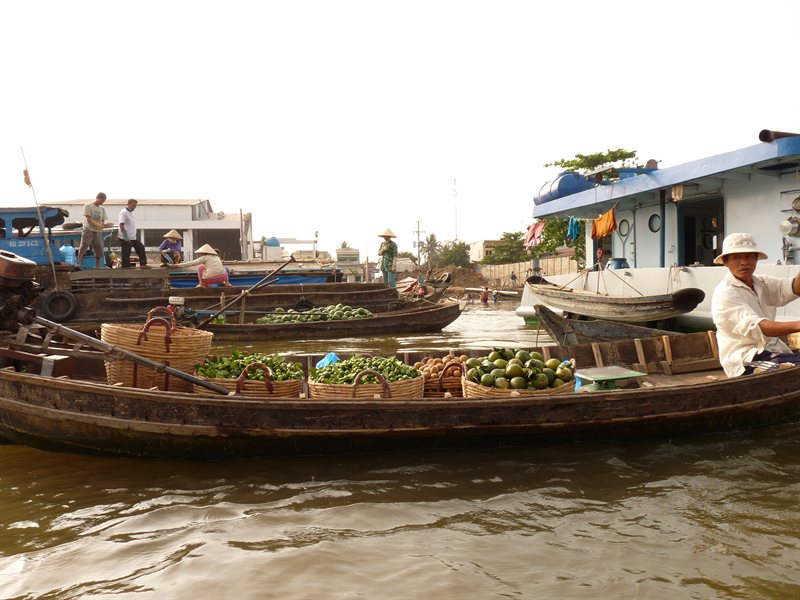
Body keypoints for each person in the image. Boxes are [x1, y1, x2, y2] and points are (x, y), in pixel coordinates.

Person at [711, 232, 800, 377]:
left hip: (773, 352)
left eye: (749, 256)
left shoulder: (761, 283)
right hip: (745, 359)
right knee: (789, 370)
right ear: (726, 262)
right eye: (737, 257)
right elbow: (760, 328)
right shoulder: (725, 293)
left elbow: (794, 288)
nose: (744, 262)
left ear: (756, 259)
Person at [166, 243, 231, 287]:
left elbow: (191, 263)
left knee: (200, 267)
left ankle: (201, 284)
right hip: (223, 278)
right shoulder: (217, 257)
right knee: (224, 269)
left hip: (210, 280)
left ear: (203, 252)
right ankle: (227, 283)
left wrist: (176, 265)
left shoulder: (204, 257)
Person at [76, 192, 112, 270]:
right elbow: (89, 219)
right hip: (88, 229)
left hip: (97, 231)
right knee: (84, 245)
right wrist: (98, 224)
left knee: (98, 247)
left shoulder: (102, 209)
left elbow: (102, 220)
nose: (102, 202)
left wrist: (102, 225)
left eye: (104, 201)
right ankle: (79, 264)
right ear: (98, 198)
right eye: (102, 200)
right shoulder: (88, 206)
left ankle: (97, 266)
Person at [118, 199, 148, 268]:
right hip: (125, 237)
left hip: (132, 237)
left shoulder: (130, 213)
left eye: (135, 206)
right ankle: (125, 267)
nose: (133, 208)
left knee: (141, 247)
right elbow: (121, 225)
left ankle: (143, 264)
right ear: (128, 204)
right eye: (132, 206)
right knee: (126, 252)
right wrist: (126, 237)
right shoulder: (123, 213)